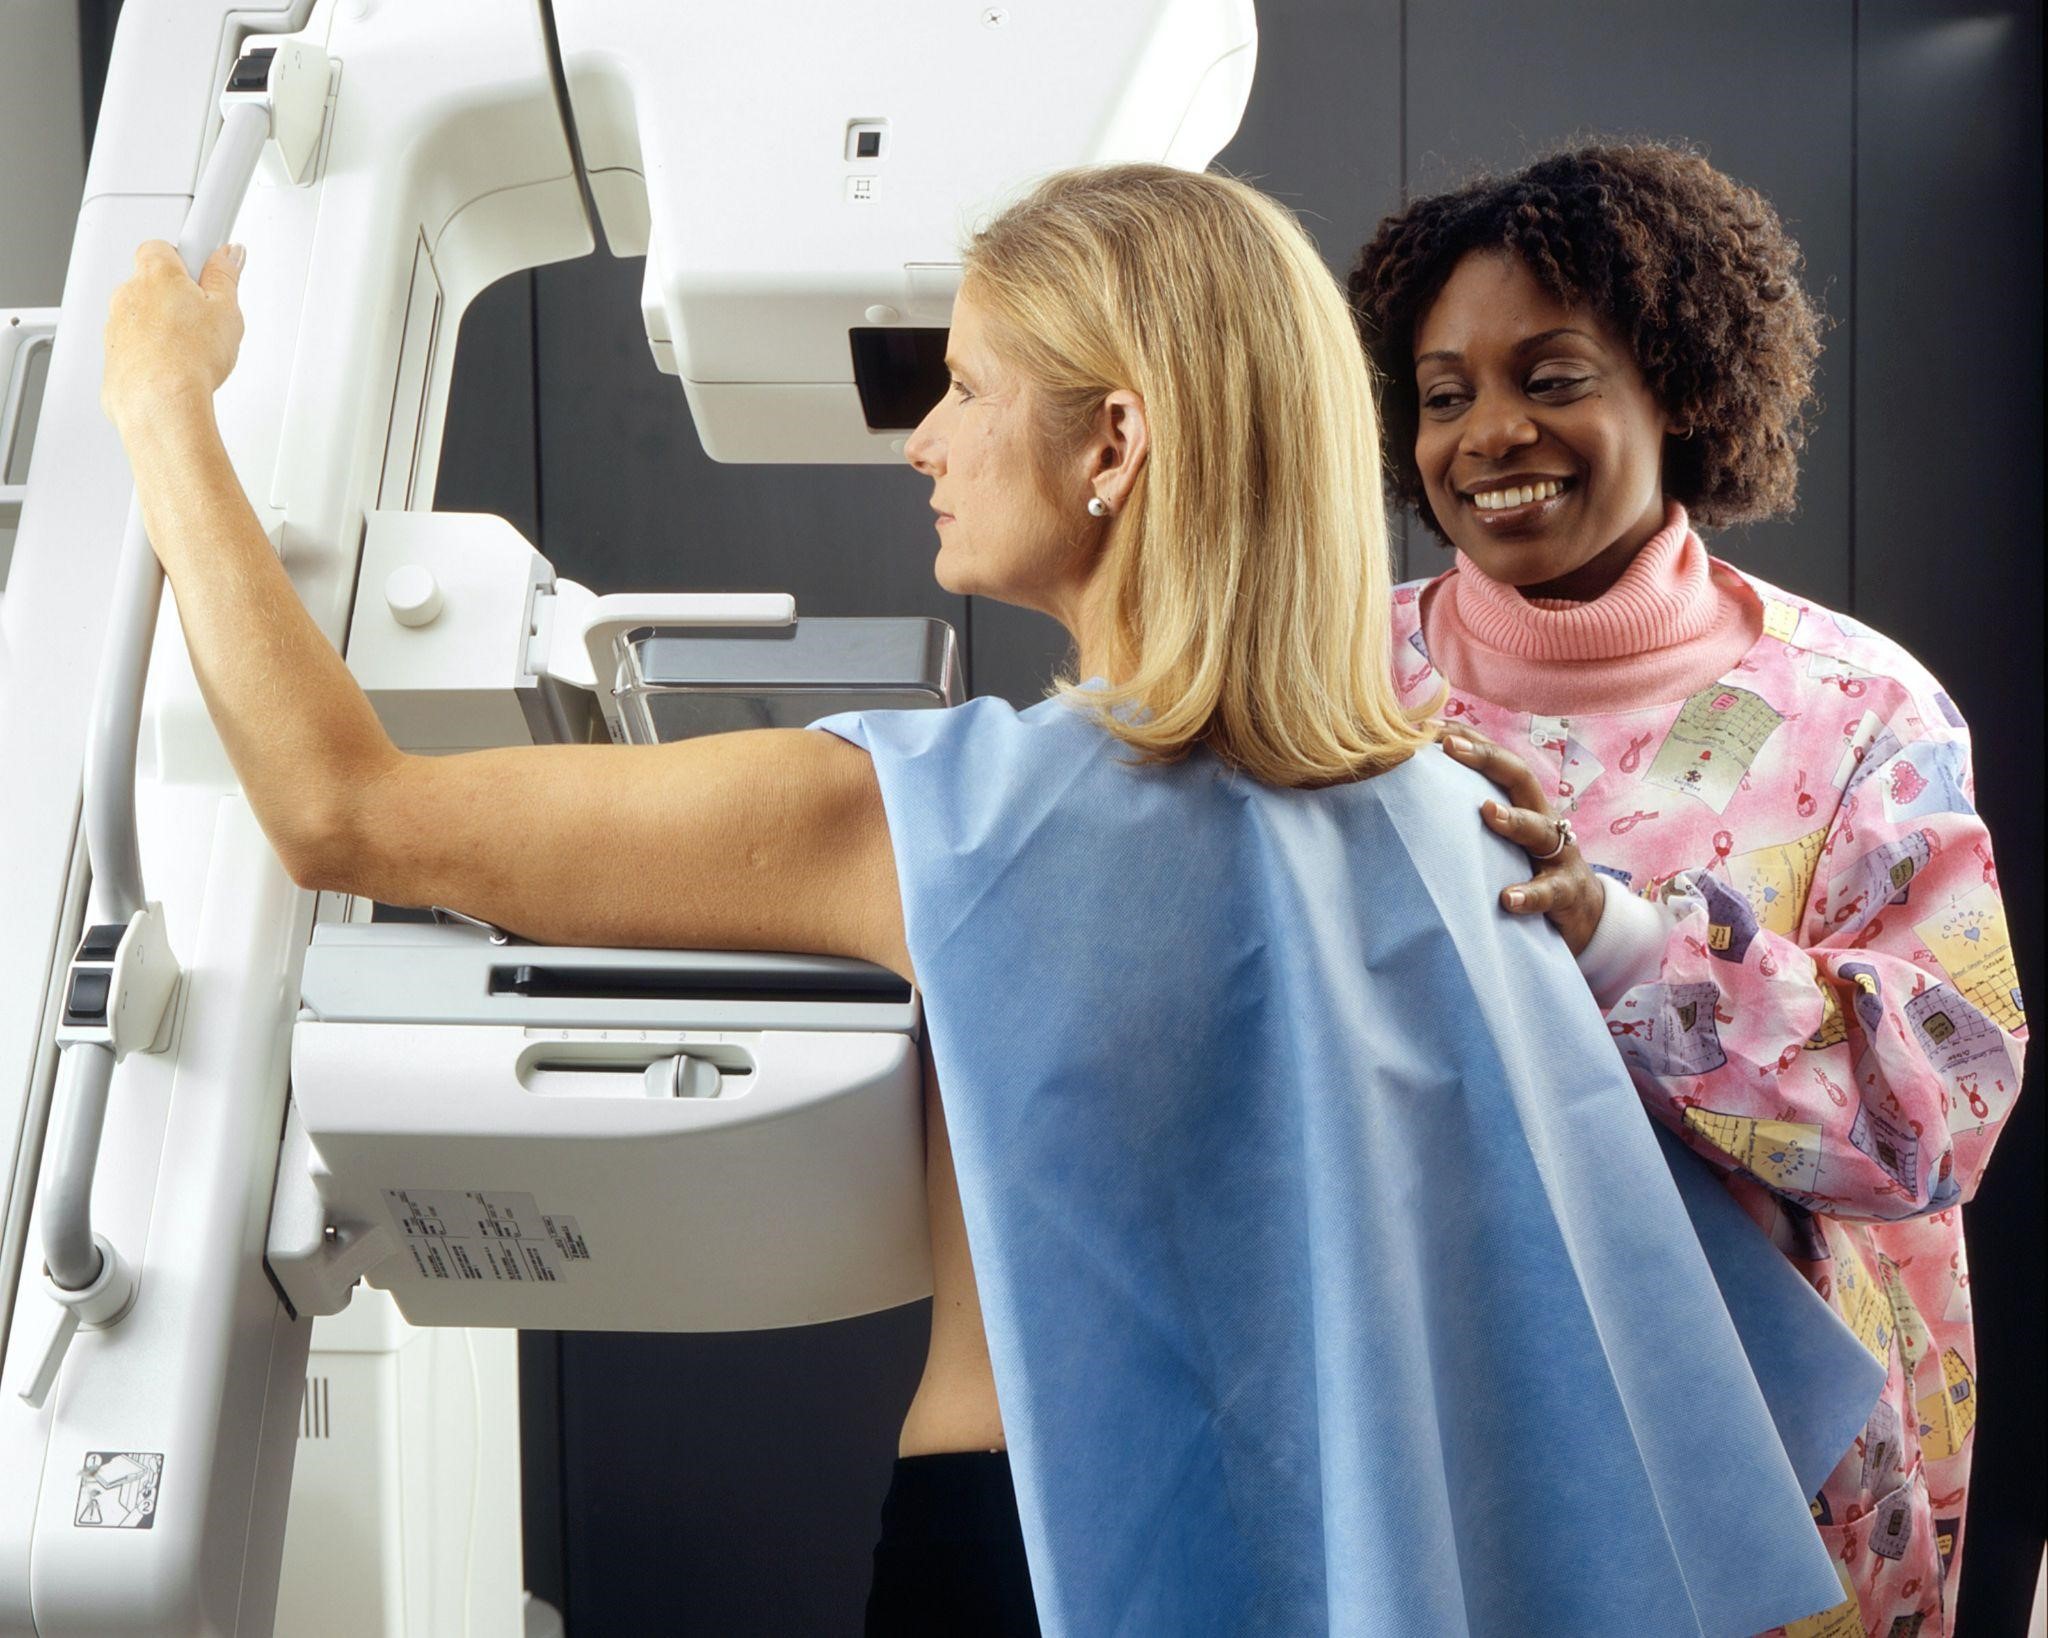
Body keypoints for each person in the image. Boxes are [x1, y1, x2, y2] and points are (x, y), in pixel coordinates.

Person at [105, 163, 1869, 1637]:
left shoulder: (939, 812)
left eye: (963, 385)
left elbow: (344, 809)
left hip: (1024, 1558)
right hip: (1358, 1565)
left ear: (1115, 440)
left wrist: (163, 408)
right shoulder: (1456, 813)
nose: (922, 440)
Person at [1349, 140, 2026, 1638]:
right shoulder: (1333, 678)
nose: (1490, 431)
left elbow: (1943, 1103)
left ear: (1680, 384)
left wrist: (1621, 943)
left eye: (1553, 373)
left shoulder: (1856, 707)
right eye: (1445, 391)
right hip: (1417, 1442)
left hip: (1768, 1500)